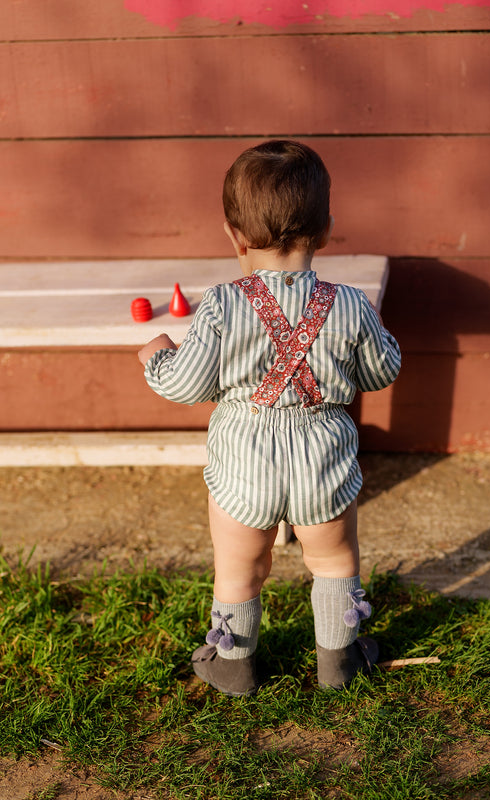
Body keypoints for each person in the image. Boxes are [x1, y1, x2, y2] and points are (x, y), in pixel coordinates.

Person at [138, 140, 401, 696]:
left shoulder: (220, 304)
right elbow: (383, 371)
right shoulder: (351, 304)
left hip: (243, 462)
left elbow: (188, 386)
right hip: (322, 457)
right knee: (332, 560)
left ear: (233, 235)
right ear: (327, 229)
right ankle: (340, 661)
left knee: (239, 568)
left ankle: (233, 667)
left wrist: (157, 356)